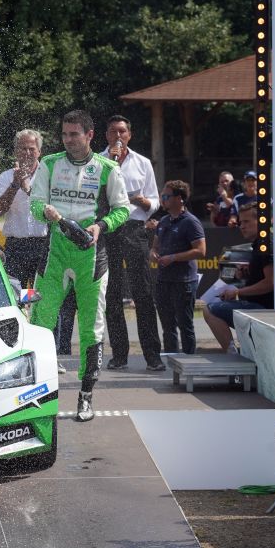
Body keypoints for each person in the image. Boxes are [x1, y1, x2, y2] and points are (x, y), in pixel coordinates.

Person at [29, 110, 130, 421]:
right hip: (55, 254)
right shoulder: (49, 164)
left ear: (90, 135)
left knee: (91, 326)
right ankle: (37, 396)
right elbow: (35, 203)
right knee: (40, 324)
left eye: (74, 134)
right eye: (64, 134)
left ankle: (86, 395)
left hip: (91, 256)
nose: (68, 140)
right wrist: (44, 211)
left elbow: (122, 209)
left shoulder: (107, 168)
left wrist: (101, 225)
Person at [100, 114, 163, 371]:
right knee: (112, 293)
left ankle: (153, 356)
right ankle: (119, 354)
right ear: (106, 135)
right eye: (113, 131)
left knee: (143, 292)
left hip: (135, 229)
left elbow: (155, 200)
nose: (118, 136)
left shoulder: (143, 163)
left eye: (122, 131)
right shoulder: (97, 162)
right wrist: (111, 164)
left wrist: (144, 202)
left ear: (129, 135)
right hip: (109, 229)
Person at [203, 205, 274, 353]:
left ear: (261, 221)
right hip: (258, 306)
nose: (242, 226)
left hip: (264, 310)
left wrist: (237, 292)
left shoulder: (266, 245)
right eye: (241, 222)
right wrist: (246, 273)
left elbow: (270, 283)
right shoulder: (261, 244)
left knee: (209, 310)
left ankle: (232, 354)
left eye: (247, 222)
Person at [151, 180, 206, 355]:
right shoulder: (163, 221)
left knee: (185, 325)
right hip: (163, 280)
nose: (163, 199)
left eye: (166, 196)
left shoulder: (191, 222)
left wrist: (173, 257)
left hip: (184, 281)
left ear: (179, 198)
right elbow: (155, 247)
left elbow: (201, 251)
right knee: (167, 326)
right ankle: (170, 360)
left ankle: (189, 361)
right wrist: (153, 253)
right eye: (162, 196)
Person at [0, 129, 48, 288]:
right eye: (23, 148)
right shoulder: (6, 176)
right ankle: (24, 304)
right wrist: (15, 185)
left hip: (43, 244)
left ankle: (32, 304)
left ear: (39, 152)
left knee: (40, 294)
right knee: (18, 293)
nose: (27, 153)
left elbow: (53, 208)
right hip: (16, 246)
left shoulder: (49, 175)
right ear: (16, 151)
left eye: (32, 149)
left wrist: (28, 188)